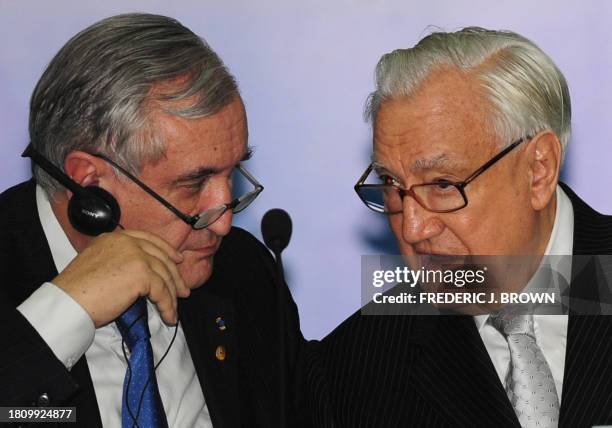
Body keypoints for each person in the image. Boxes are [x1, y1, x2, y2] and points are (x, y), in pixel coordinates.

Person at [0, 13, 303, 427]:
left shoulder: (242, 272)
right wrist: (65, 311)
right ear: (90, 184)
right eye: (194, 183)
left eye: (231, 173)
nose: (223, 223)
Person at [304, 27, 612, 427]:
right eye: (392, 186)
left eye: (443, 185)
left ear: (538, 171)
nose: (413, 229)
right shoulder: (351, 371)